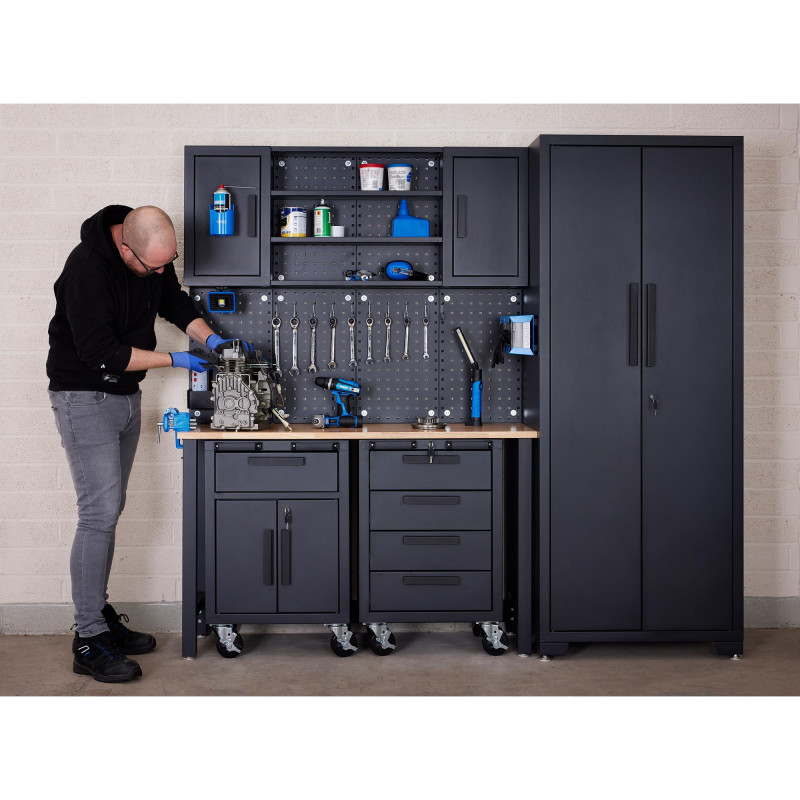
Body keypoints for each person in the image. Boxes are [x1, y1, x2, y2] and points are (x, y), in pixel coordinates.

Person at [47, 205, 248, 683]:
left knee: (109, 511)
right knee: (98, 514)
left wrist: (213, 342)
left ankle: (99, 614)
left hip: (125, 397)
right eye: (152, 266)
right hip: (84, 397)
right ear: (125, 247)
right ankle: (88, 637)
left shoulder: (152, 255)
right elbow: (101, 353)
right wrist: (177, 359)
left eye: (166, 263)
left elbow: (173, 302)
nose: (160, 272)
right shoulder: (87, 271)